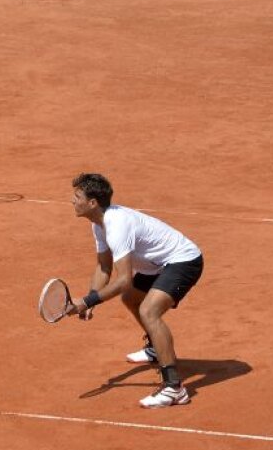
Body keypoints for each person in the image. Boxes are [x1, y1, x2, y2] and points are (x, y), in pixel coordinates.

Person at [65, 173, 205, 408]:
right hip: (157, 263)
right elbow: (104, 266)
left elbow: (123, 280)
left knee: (150, 311)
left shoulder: (116, 225)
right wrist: (91, 297)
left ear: (92, 203)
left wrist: (88, 301)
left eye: (77, 196)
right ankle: (155, 347)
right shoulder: (98, 223)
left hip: (183, 260)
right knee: (131, 299)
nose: (72, 200)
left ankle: (174, 388)